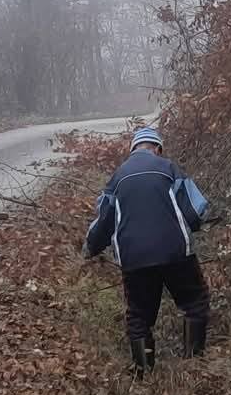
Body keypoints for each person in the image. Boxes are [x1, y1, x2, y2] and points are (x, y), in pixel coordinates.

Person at [82, 127, 214, 377]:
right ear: (157, 148)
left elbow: (102, 224)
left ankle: (144, 375)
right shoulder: (169, 168)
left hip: (134, 259)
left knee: (139, 317)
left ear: (133, 150)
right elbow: (195, 210)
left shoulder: (117, 177)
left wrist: (91, 247)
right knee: (194, 303)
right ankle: (193, 366)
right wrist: (196, 225)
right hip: (175, 252)